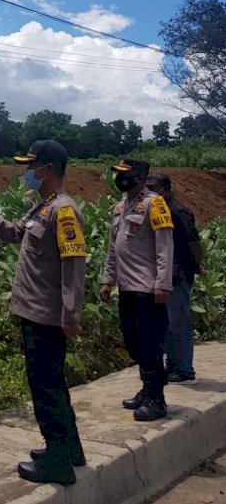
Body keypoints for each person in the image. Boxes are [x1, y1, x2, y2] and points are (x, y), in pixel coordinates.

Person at [0, 139, 87, 486]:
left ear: (47, 169)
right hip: (36, 313)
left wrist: (70, 314)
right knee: (52, 385)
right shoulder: (42, 207)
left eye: (30, 166)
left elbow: (74, 265)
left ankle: (58, 463)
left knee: (46, 389)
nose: (26, 172)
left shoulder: (63, 211)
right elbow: (16, 233)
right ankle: (69, 448)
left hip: (47, 317)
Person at [100, 159, 174, 422]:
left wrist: (163, 284)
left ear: (140, 177)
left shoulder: (155, 204)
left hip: (148, 287)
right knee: (133, 342)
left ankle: (157, 399)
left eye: (125, 174)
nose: (120, 179)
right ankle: (146, 389)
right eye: (118, 174)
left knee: (149, 342)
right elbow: (113, 248)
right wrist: (107, 279)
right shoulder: (121, 206)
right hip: (127, 288)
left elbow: (165, 246)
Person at [146, 173, 203, 385]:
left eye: (154, 187)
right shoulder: (155, 210)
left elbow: (194, 244)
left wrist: (197, 263)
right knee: (166, 324)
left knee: (179, 323)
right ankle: (173, 365)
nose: (150, 191)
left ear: (167, 188)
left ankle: (185, 368)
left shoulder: (179, 212)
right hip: (161, 275)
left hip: (178, 274)